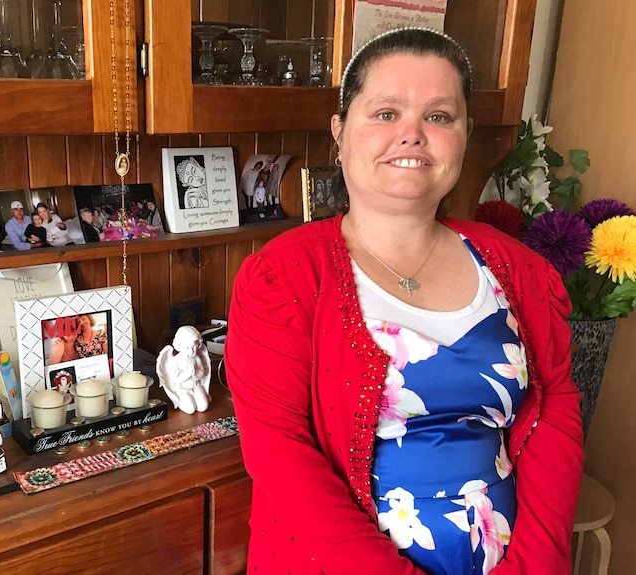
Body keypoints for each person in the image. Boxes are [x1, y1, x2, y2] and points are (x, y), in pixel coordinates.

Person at [224, 27, 583, 575]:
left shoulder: (518, 268)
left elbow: (555, 404)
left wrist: (533, 565)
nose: (412, 135)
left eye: (439, 117)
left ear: (464, 135)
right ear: (340, 133)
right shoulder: (283, 276)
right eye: (386, 113)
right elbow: (281, 454)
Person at [156, 325, 211, 414]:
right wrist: (188, 373)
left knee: (203, 407)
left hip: (196, 386)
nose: (191, 351)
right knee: (190, 409)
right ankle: (181, 400)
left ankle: (199, 396)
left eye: (194, 347)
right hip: (183, 389)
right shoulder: (176, 360)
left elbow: (202, 371)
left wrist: (197, 373)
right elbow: (176, 379)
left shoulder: (196, 358)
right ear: (180, 345)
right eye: (187, 348)